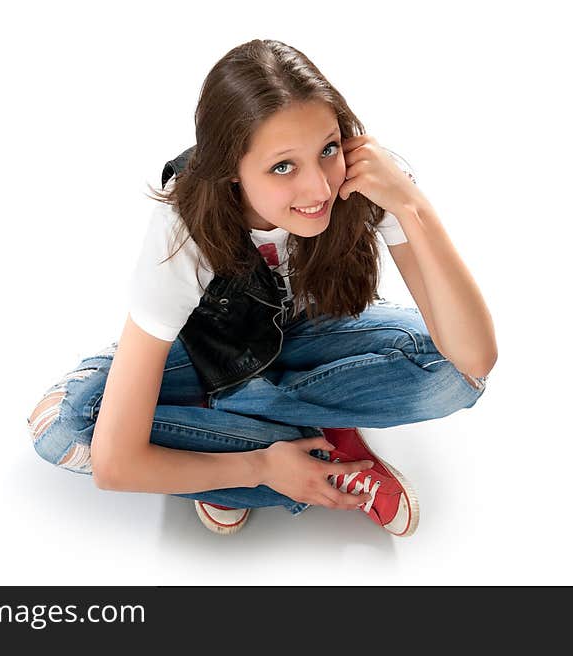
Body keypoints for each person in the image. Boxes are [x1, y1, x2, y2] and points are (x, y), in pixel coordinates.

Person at [26, 39, 497, 537]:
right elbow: (115, 465)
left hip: (309, 334)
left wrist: (412, 205)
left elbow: (476, 358)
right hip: (211, 355)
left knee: (454, 371)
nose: (318, 188)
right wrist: (260, 468)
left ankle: (231, 435)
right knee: (65, 428)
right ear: (231, 168)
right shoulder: (181, 229)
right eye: (282, 167)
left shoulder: (367, 180)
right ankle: (301, 447)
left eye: (328, 149)